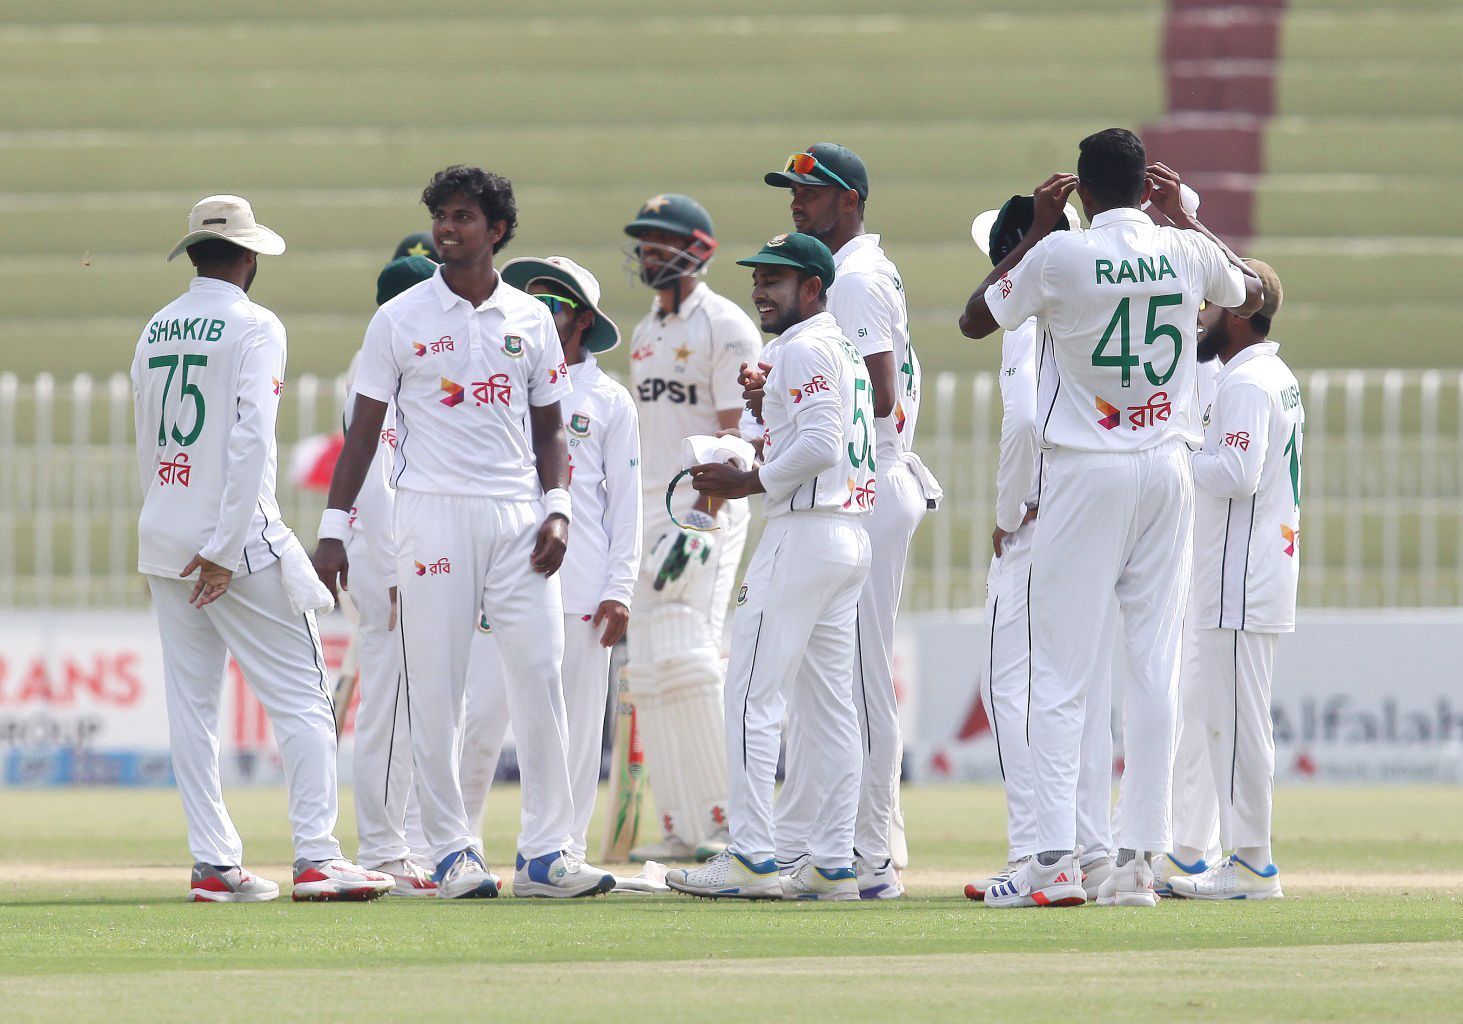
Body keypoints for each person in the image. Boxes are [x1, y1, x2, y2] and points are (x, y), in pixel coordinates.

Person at [958, 129, 1264, 908]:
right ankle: (1134, 867)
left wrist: (1030, 231)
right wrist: (1185, 221)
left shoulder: (1059, 256)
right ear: (1144, 187)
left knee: (1060, 674)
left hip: (1086, 470)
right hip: (1166, 468)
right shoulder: (1182, 249)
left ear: (1082, 193)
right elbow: (1248, 293)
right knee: (1151, 670)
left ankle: (1056, 863)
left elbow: (973, 320)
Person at [312, 166, 615, 899]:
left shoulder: (529, 319)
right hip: (431, 512)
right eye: (441, 216)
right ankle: (451, 850)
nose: (447, 229)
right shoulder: (399, 320)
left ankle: (545, 854)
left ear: (497, 230)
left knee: (539, 676)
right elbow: (361, 437)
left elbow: (550, 430)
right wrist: (332, 530)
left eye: (462, 218)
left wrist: (558, 507)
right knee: (437, 686)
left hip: (518, 518)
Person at [135, 195, 392, 903]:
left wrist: (163, 534)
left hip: (164, 533)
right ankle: (316, 857)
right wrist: (221, 545)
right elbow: (249, 439)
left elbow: (151, 441)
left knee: (191, 708)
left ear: (193, 256)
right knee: (305, 700)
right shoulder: (255, 324)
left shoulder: (155, 327)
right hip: (235, 541)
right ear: (248, 258)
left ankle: (214, 864)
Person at [666, 232, 875, 901]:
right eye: (758, 277)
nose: (760, 289)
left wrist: (748, 483)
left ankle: (753, 859)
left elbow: (818, 443)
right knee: (830, 710)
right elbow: (814, 430)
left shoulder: (804, 345)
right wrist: (764, 414)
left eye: (776, 279)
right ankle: (832, 862)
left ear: (812, 288)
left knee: (752, 695)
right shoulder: (836, 346)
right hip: (845, 535)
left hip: (804, 534)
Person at [763, 144, 941, 898]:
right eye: (793, 191)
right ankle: (822, 844)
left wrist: (789, 393)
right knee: (827, 680)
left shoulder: (857, 278)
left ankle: (870, 855)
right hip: (865, 486)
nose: (798, 201)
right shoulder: (855, 273)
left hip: (868, 485)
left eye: (813, 190)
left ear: (852, 200)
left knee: (858, 681)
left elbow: (875, 397)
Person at [460, 255, 642, 864]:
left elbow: (626, 504)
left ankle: (560, 851)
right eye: (532, 302)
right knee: (482, 718)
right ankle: (453, 844)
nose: (540, 316)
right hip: (506, 576)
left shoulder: (610, 400)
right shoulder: (503, 378)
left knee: (577, 733)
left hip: (584, 586)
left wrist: (621, 589)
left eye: (554, 306)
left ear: (584, 319)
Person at [961, 198, 1116, 903]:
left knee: (1014, 689)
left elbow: (1023, 421)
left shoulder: (1027, 311)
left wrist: (1007, 510)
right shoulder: (1101, 294)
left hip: (1044, 519)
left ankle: (1035, 851)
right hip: (1105, 506)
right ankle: (1093, 849)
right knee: (1077, 689)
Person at [621, 193, 763, 862]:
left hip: (703, 503)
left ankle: (728, 821)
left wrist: (701, 520)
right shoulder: (646, 332)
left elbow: (738, 435)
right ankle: (681, 823)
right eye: (643, 241)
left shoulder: (726, 326)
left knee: (691, 654)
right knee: (647, 668)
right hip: (648, 506)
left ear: (695, 248)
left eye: (660, 240)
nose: (649, 252)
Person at [1167, 259, 1297, 901]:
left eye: (1214, 304)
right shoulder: (1273, 375)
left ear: (1241, 313)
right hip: (1253, 572)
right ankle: (1237, 857)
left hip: (1241, 578)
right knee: (1230, 720)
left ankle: (1252, 865)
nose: (1202, 313)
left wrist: (1180, 444)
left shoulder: (1246, 382)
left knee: (1239, 725)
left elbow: (1236, 473)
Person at [342, 254, 439, 897]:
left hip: (405, 553)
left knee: (414, 703)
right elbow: (374, 484)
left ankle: (404, 842)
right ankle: (382, 848)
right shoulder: (378, 370)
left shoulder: (396, 366)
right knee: (393, 701)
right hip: (390, 557)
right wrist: (396, 563)